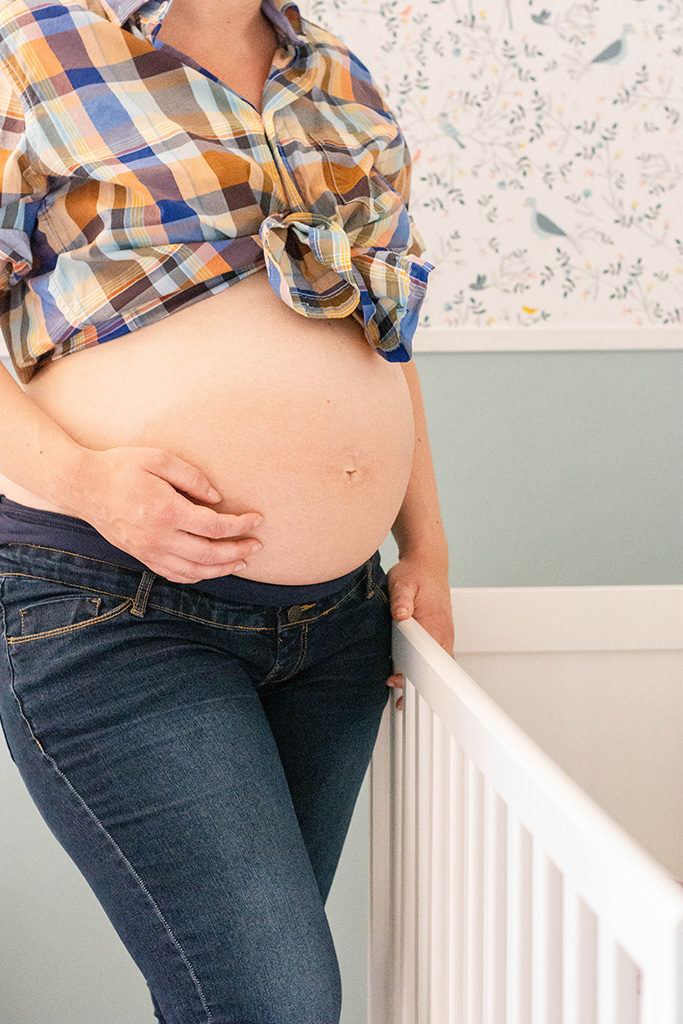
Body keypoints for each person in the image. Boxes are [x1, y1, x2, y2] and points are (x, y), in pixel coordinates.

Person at [0, 0, 455, 1020]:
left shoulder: (337, 77)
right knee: (274, 1000)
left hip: (334, 627)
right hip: (118, 606)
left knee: (245, 998)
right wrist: (89, 485)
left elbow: (385, 331)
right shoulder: (35, 45)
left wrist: (423, 542)